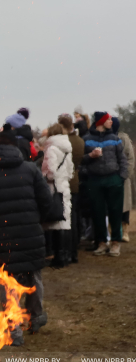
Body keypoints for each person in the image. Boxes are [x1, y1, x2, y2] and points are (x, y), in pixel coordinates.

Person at [0, 125, 52, 345]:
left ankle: (14, 329)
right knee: (33, 276)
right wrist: (36, 221)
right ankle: (36, 316)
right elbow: (46, 202)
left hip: (2, 235)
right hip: (31, 232)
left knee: (7, 280)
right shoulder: (31, 170)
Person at [82, 112, 129, 257]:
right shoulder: (86, 140)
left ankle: (115, 242)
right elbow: (80, 161)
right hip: (94, 180)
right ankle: (101, 242)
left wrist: (121, 177)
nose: (111, 121)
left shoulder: (115, 139)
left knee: (115, 212)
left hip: (113, 179)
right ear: (101, 122)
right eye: (108, 119)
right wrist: (89, 161)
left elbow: (123, 160)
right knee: (97, 212)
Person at [40, 123, 74, 267]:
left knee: (55, 219)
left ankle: (57, 256)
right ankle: (64, 255)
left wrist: (44, 176)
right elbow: (71, 170)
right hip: (65, 185)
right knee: (64, 220)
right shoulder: (67, 148)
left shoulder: (51, 149)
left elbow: (50, 171)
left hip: (54, 187)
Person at [58, 114, 85, 263]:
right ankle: (74, 251)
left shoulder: (64, 142)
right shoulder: (80, 141)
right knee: (74, 217)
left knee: (66, 220)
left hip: (65, 181)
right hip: (75, 180)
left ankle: (66, 252)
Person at [112, 118, 135, 242]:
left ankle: (125, 232)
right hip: (110, 177)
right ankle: (114, 232)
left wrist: (125, 175)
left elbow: (130, 158)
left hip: (122, 178)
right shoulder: (106, 138)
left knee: (124, 207)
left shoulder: (124, 138)